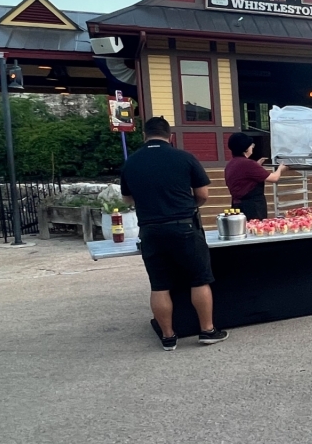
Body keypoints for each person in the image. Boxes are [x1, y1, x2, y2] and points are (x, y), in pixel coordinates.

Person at [120, 116, 229, 351]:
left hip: (150, 229)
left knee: (159, 284)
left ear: (144, 135)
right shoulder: (185, 157)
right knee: (199, 279)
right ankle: (207, 330)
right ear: (170, 136)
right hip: (184, 225)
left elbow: (128, 199)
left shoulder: (131, 163)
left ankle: (168, 337)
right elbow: (204, 194)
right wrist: (189, 204)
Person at [224, 132, 287, 220]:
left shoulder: (231, 163)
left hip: (237, 206)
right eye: (251, 145)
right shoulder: (248, 164)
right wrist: (281, 168)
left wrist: (257, 166)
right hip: (252, 208)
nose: (252, 147)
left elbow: (245, 176)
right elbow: (274, 178)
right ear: (245, 148)